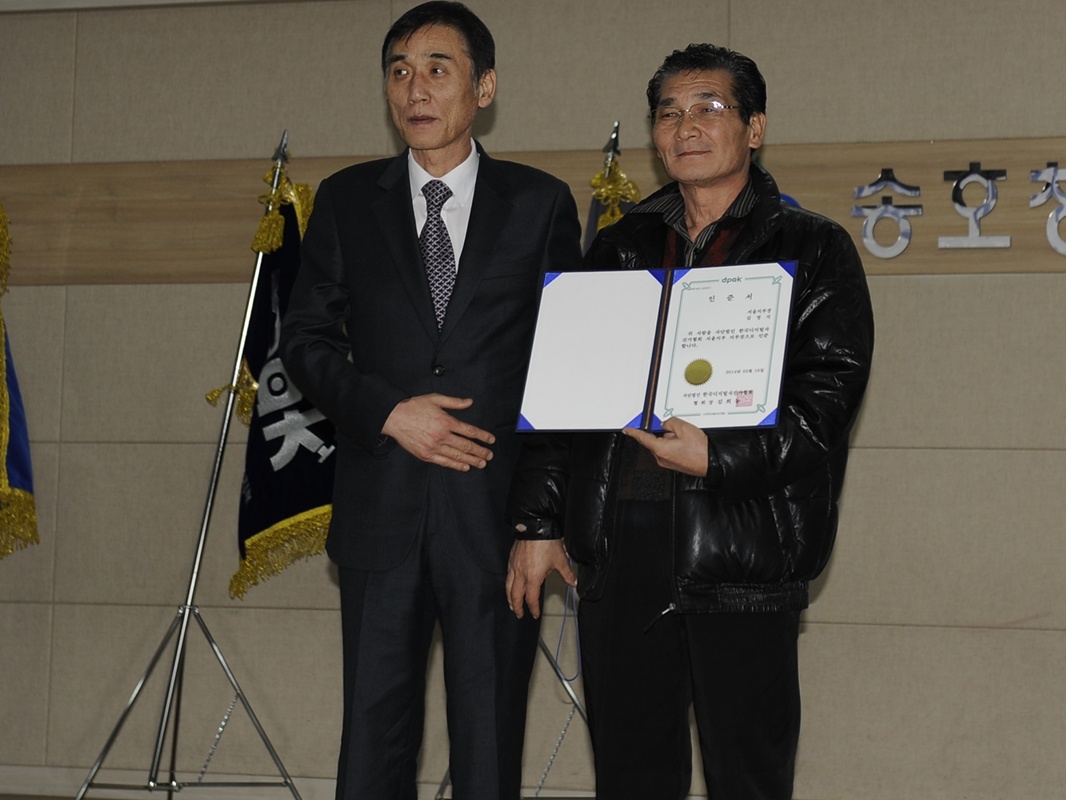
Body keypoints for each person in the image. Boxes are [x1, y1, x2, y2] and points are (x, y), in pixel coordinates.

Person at [505, 43, 873, 800]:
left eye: (708, 107)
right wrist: (537, 523)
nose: (686, 127)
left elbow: (825, 407)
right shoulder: (620, 246)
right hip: (620, 549)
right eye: (668, 112)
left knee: (748, 776)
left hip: (742, 546)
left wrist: (719, 457)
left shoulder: (812, 247)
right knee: (631, 777)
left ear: (754, 127)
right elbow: (561, 399)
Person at [281, 3, 581, 799]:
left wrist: (542, 521)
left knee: (487, 745)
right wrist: (387, 410)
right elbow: (304, 340)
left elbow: (563, 373)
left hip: (495, 520)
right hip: (381, 510)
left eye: (437, 69)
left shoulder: (540, 203)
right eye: (399, 71)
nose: (415, 89)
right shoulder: (347, 199)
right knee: (372, 744)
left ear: (484, 87)